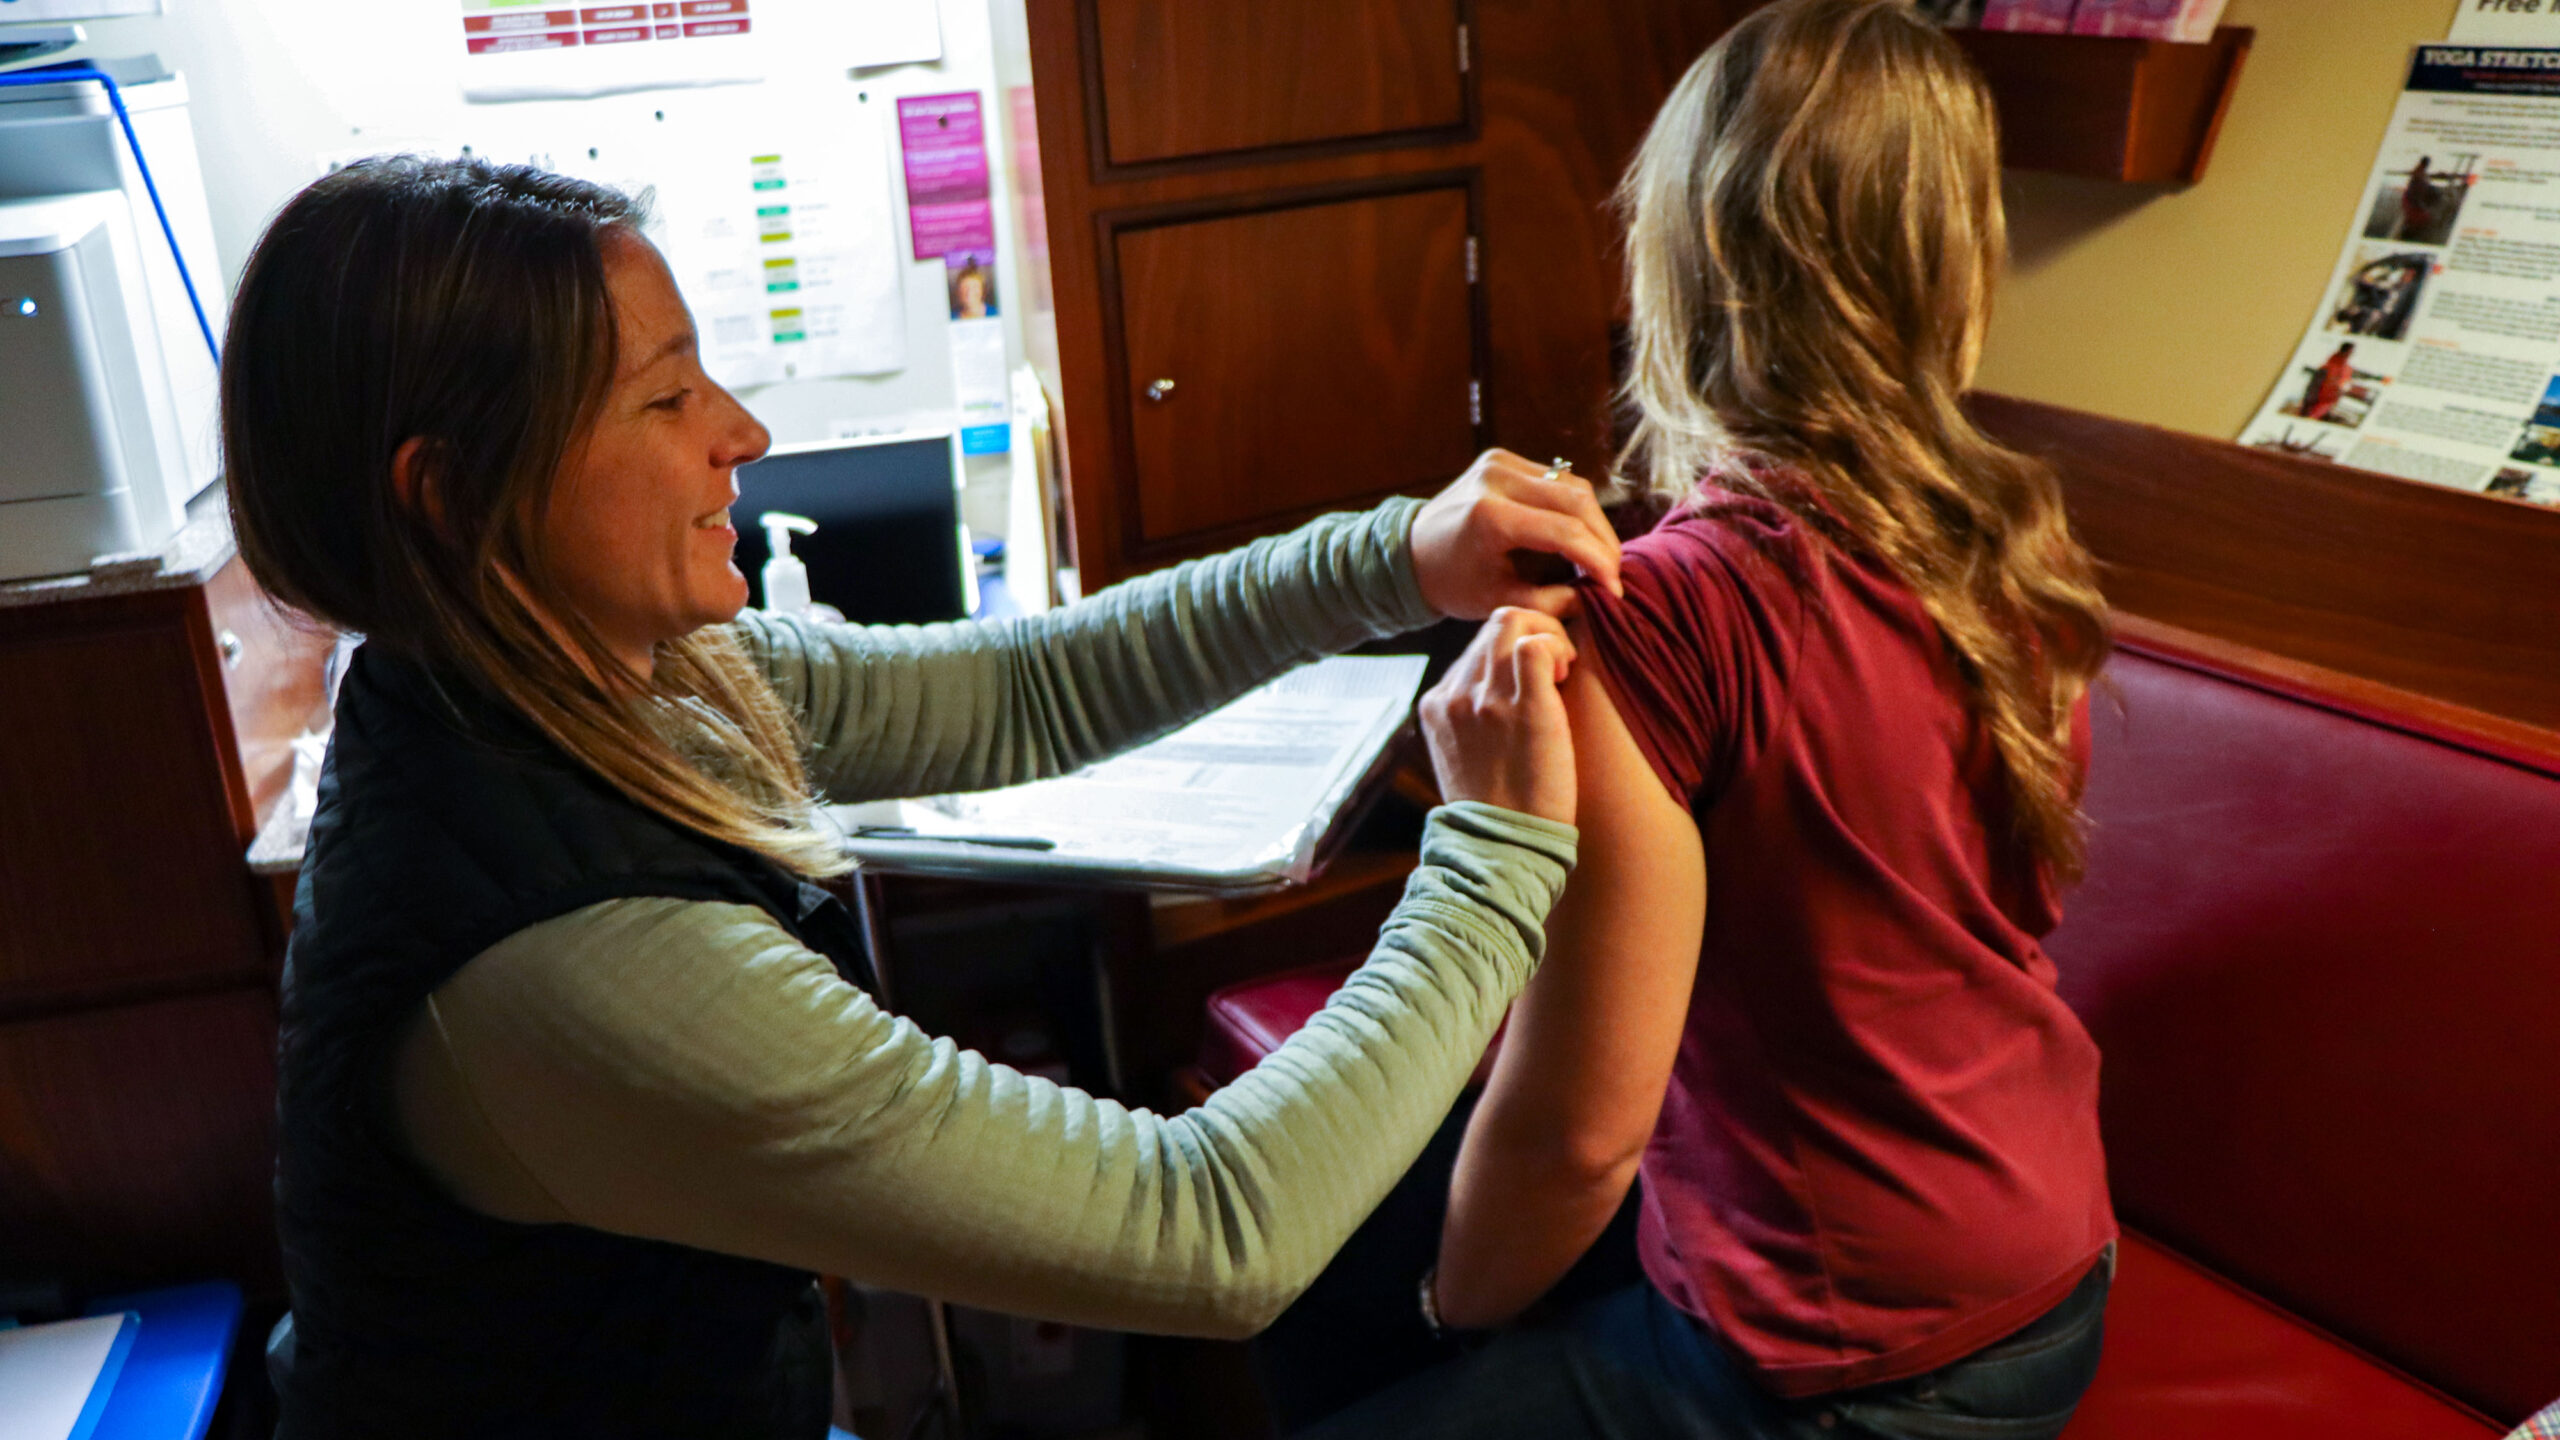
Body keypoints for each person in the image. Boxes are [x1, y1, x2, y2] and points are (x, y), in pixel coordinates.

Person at [224, 155, 1621, 1438]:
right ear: (453, 497)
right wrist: (1493, 851)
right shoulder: (560, 970)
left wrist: (1395, 560)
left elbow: (1024, 692)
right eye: (663, 399)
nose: (743, 430)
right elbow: (1213, 1229)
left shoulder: (600, 679)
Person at [1302, 4, 2117, 1436]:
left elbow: (1581, 1135)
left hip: (1856, 1356)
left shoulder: (1672, 616)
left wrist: (1437, 1321)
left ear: (1683, 257)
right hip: (2055, 1267)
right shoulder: (2011, 546)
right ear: (1956, 259)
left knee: (1351, 1359)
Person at [2301, 342, 2356, 423]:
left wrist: (2340, 393)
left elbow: (2345, 386)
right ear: (2344, 351)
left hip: (2326, 403)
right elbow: (2313, 388)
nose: (2350, 354)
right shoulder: (2329, 366)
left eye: (2351, 352)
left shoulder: (2347, 369)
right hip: (2318, 402)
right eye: (2350, 352)